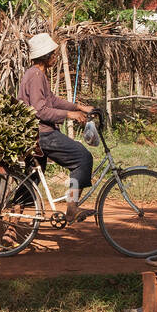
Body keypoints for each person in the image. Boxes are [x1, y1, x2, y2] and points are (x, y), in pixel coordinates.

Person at [17, 32, 95, 221]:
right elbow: (41, 110)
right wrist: (71, 115)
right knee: (82, 158)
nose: (55, 57)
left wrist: (78, 107)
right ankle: (72, 207)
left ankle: (11, 227)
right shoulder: (36, 76)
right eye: (53, 54)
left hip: (35, 134)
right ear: (46, 56)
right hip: (42, 135)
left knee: (32, 179)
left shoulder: (36, 74)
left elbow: (51, 100)